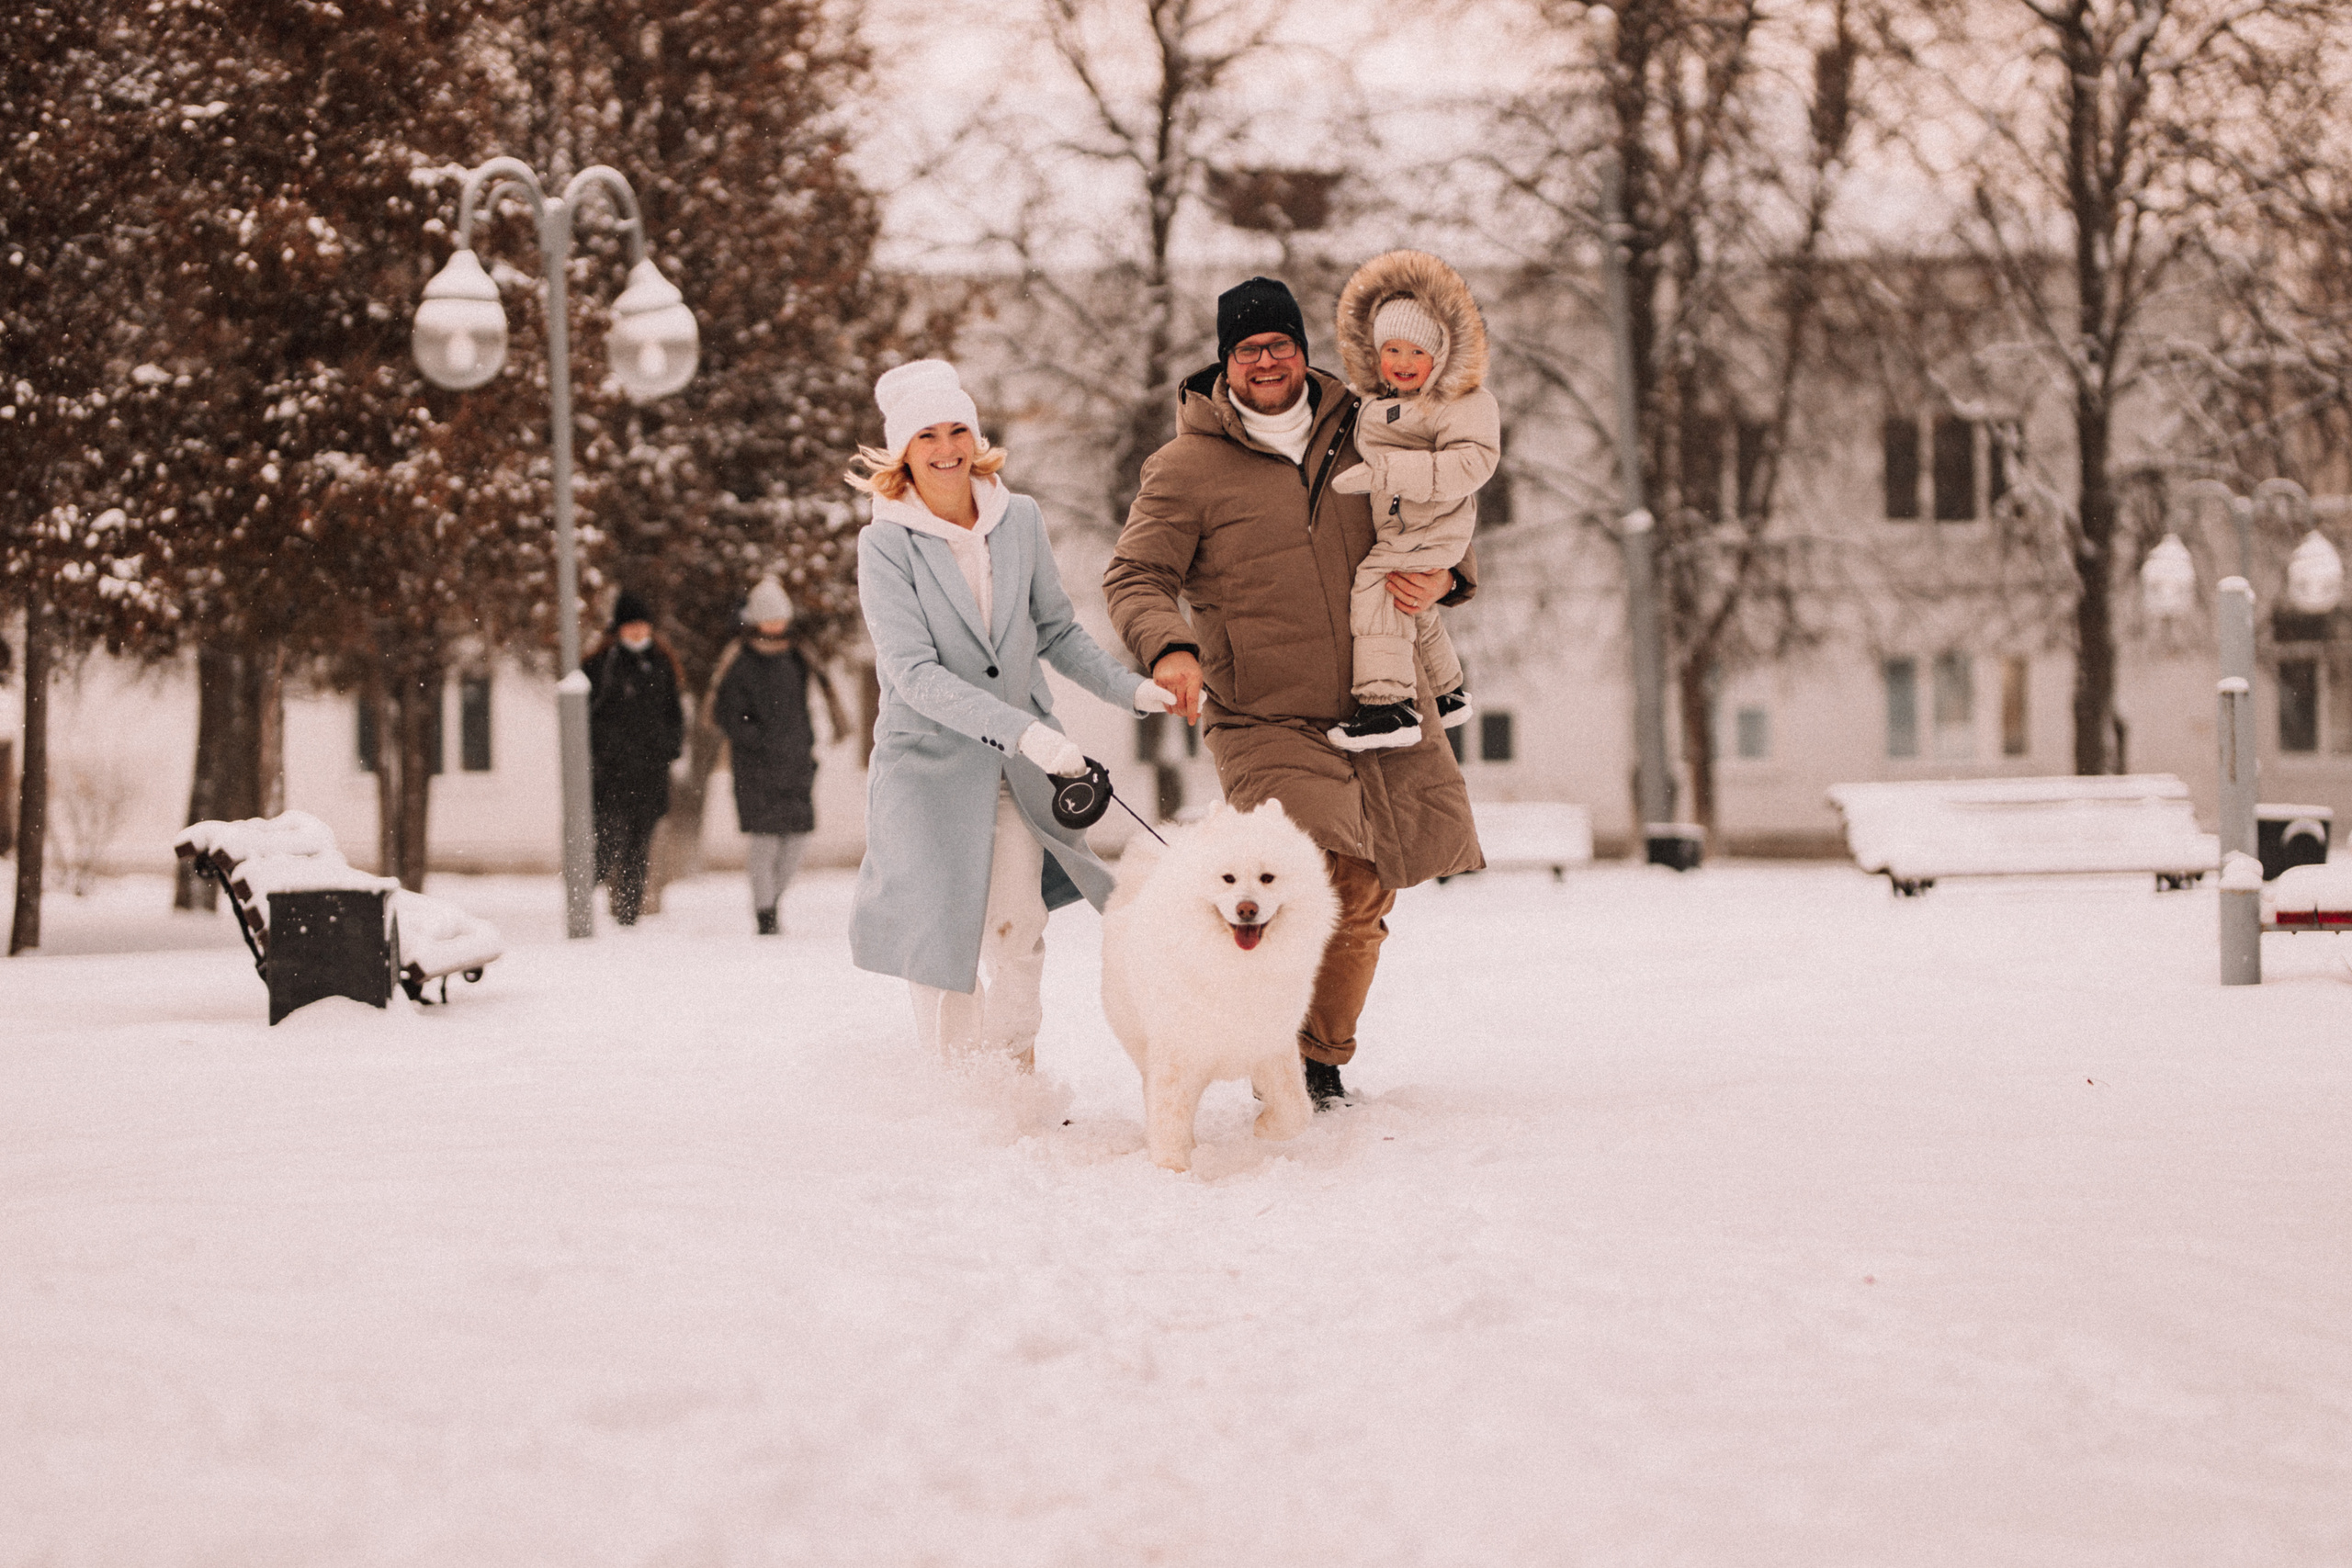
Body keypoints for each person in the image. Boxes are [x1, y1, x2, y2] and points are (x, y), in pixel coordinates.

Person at [1103, 276, 1484, 1108]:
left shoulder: (1373, 429)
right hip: (1264, 715)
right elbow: (1135, 572)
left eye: (1279, 344)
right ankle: (1288, 1061)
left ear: (1303, 351)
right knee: (1327, 867)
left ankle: (1314, 1055)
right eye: (1248, 349)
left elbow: (1443, 503)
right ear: (1225, 364)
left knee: (1370, 887)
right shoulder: (1186, 467)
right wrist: (1168, 647)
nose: (1266, 360)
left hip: (1382, 694)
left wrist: (1449, 569)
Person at [846, 359, 1181, 1068]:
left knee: (1019, 920)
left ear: (976, 433)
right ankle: (958, 1086)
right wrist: (1026, 730)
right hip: (929, 768)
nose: (946, 448)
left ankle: (1015, 1074)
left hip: (1021, 767)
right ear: (901, 451)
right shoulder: (885, 543)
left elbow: (1054, 630)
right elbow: (913, 674)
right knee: (943, 939)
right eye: (927, 435)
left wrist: (1130, 689)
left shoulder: (1017, 518)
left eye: (957, 428)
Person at [1325, 249, 1501, 752]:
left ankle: (1387, 705)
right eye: (1392, 350)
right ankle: (1446, 694)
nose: (1402, 363)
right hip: (1407, 524)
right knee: (1411, 603)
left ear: (1441, 355)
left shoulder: (1463, 403)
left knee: (1377, 586)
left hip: (1434, 525)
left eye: (1417, 353)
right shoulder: (1378, 403)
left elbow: (1473, 463)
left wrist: (1388, 472)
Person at [707, 576, 842, 935]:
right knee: (765, 841)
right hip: (756, 765)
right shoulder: (740, 659)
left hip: (796, 761)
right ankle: (765, 914)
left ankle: (772, 901)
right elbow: (727, 712)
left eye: (780, 617)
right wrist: (757, 739)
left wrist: (805, 745)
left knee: (796, 840)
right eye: (768, 618)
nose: (775, 625)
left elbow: (808, 702)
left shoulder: (799, 655)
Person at [584, 588, 684, 926]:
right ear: (619, 629)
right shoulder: (602, 665)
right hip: (611, 774)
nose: (638, 633)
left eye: (643, 626)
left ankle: (629, 910)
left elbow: (673, 712)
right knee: (610, 838)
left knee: (640, 844)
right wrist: (605, 753)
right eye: (631, 627)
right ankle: (590, 895)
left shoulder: (661, 662)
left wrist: (669, 747)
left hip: (651, 772)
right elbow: (591, 717)